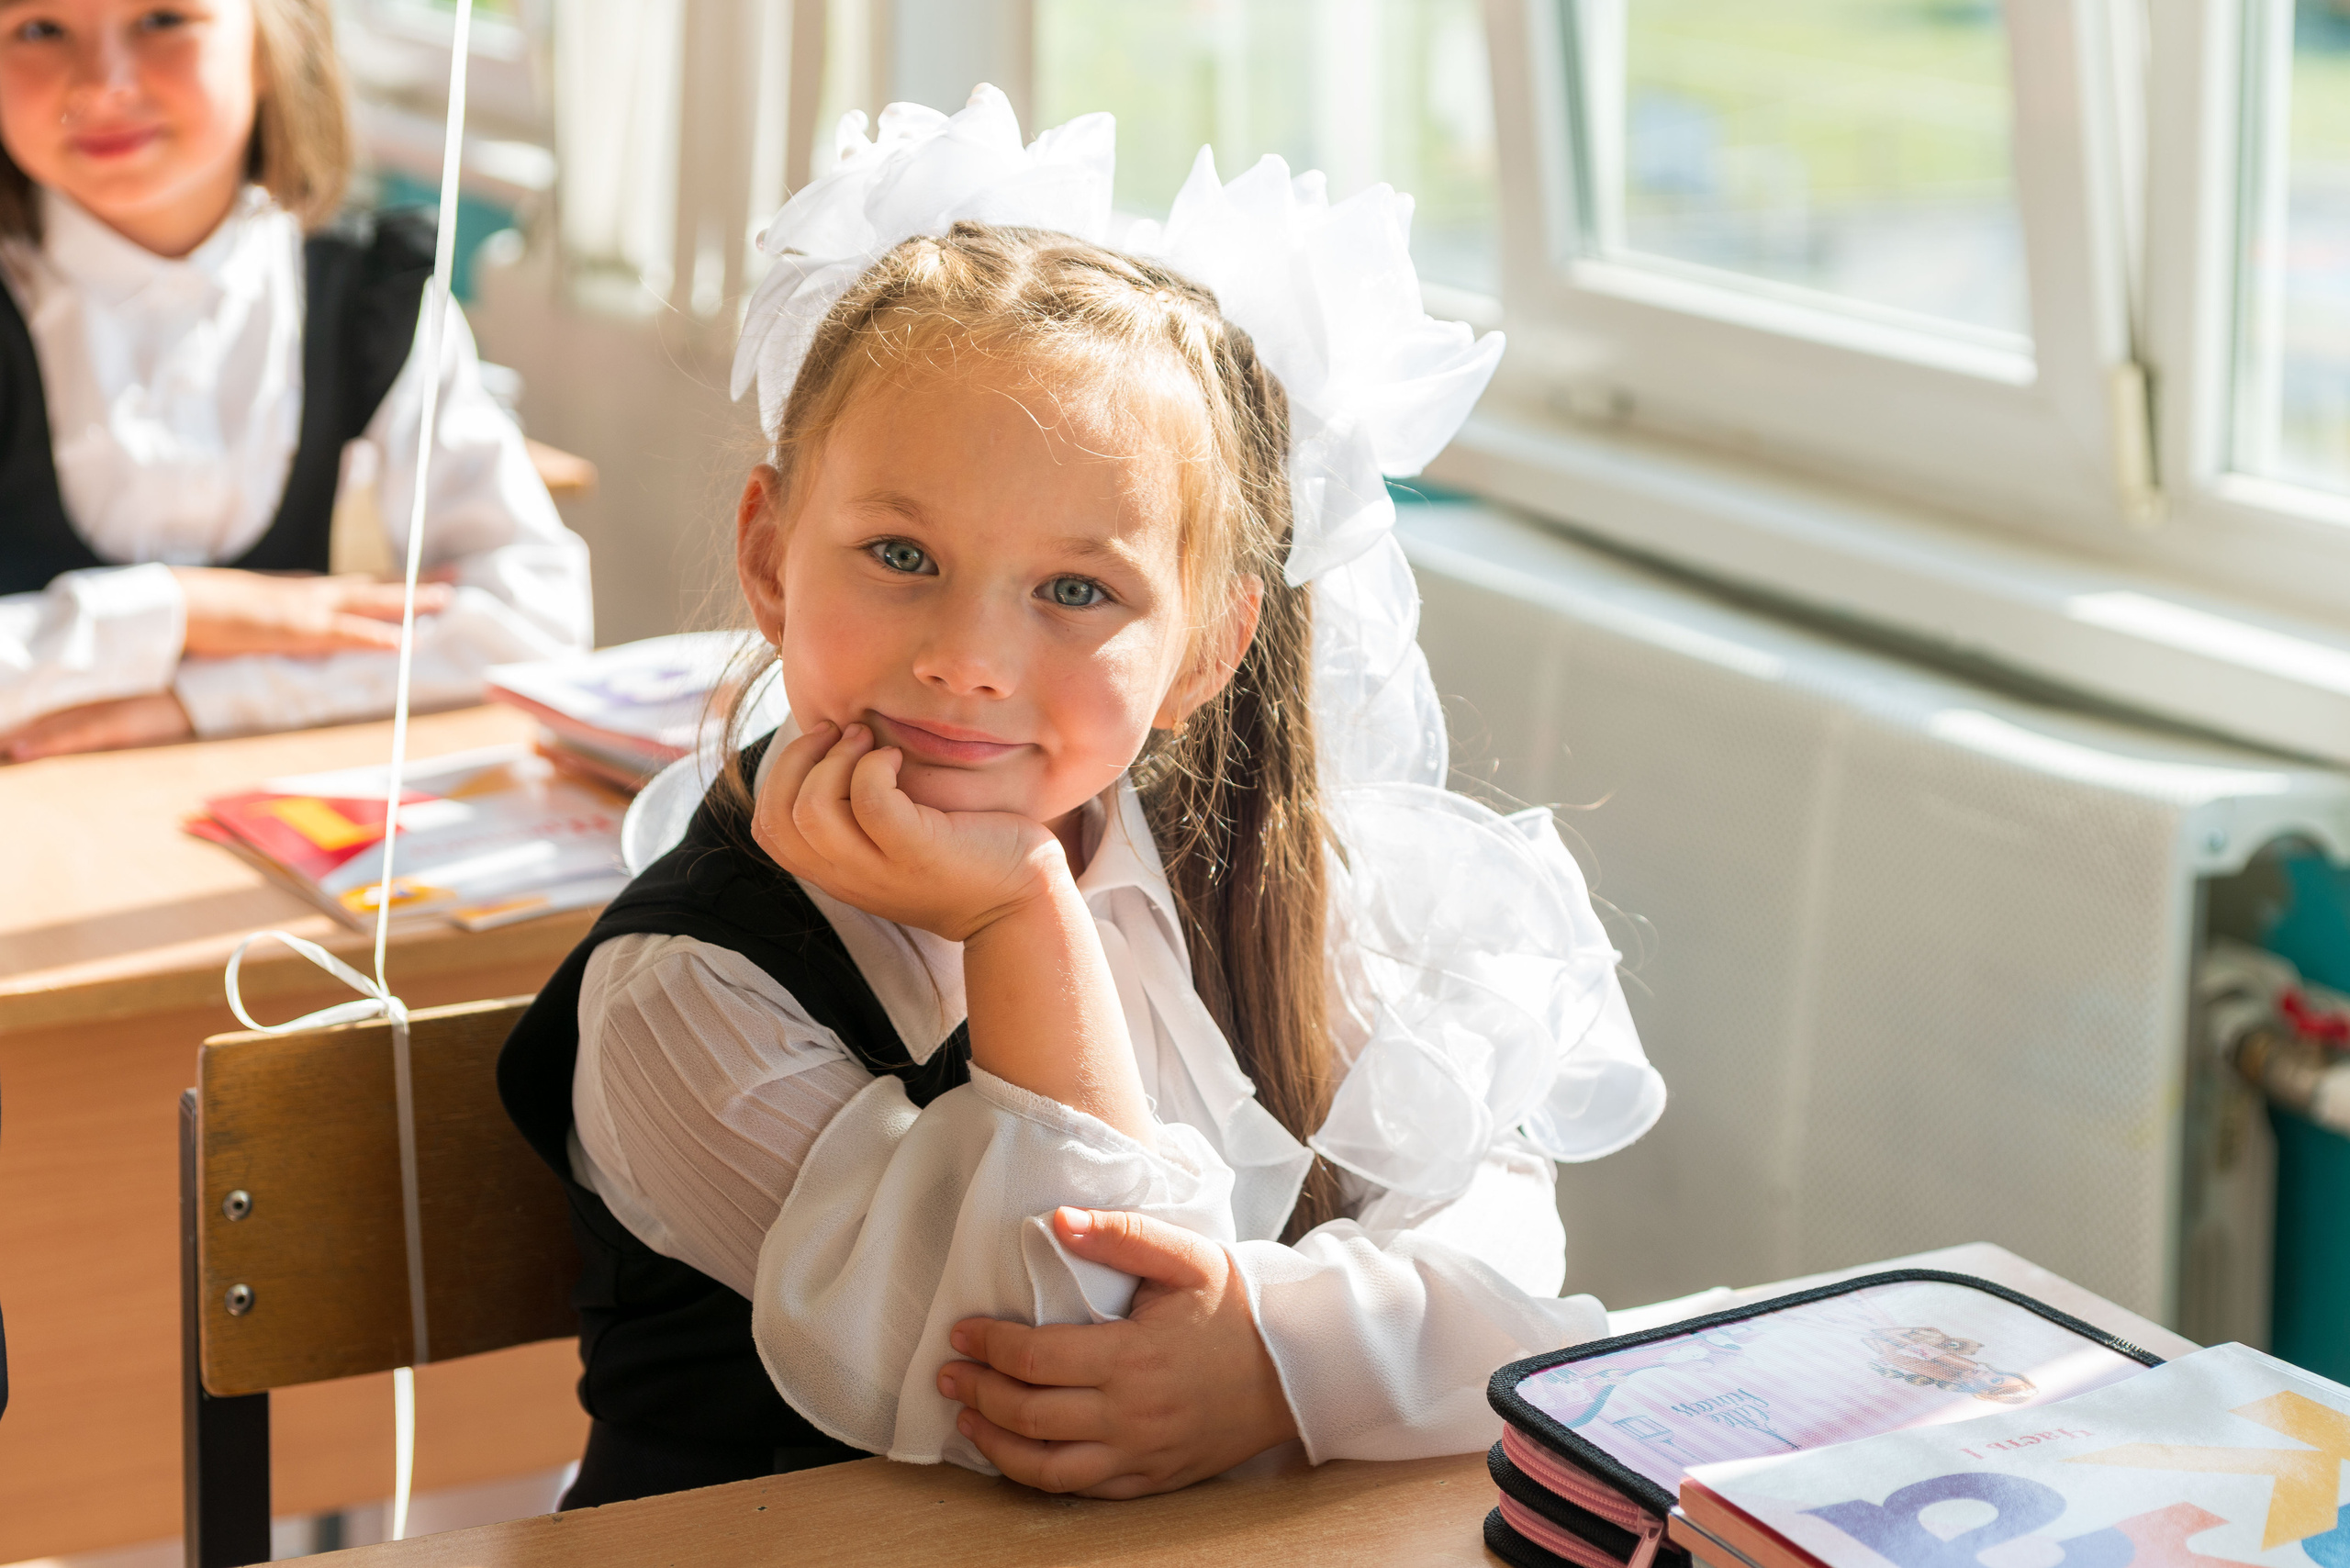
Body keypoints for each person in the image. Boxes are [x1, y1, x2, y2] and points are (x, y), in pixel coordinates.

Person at [498, 86, 1666, 1506]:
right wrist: (1021, 916)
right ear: (770, 555)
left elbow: (1505, 1256)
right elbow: (1062, 1371)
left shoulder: (1265, 874)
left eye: (1076, 590)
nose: (968, 662)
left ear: (1206, 649)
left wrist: (1270, 1367)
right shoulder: (687, 994)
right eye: (900, 554)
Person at [0, 0, 590, 762]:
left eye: (163, 19)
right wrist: (181, 609)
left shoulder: (372, 292)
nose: (103, 84)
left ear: (274, 41)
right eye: (39, 29)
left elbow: (534, 621)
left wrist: (201, 699)